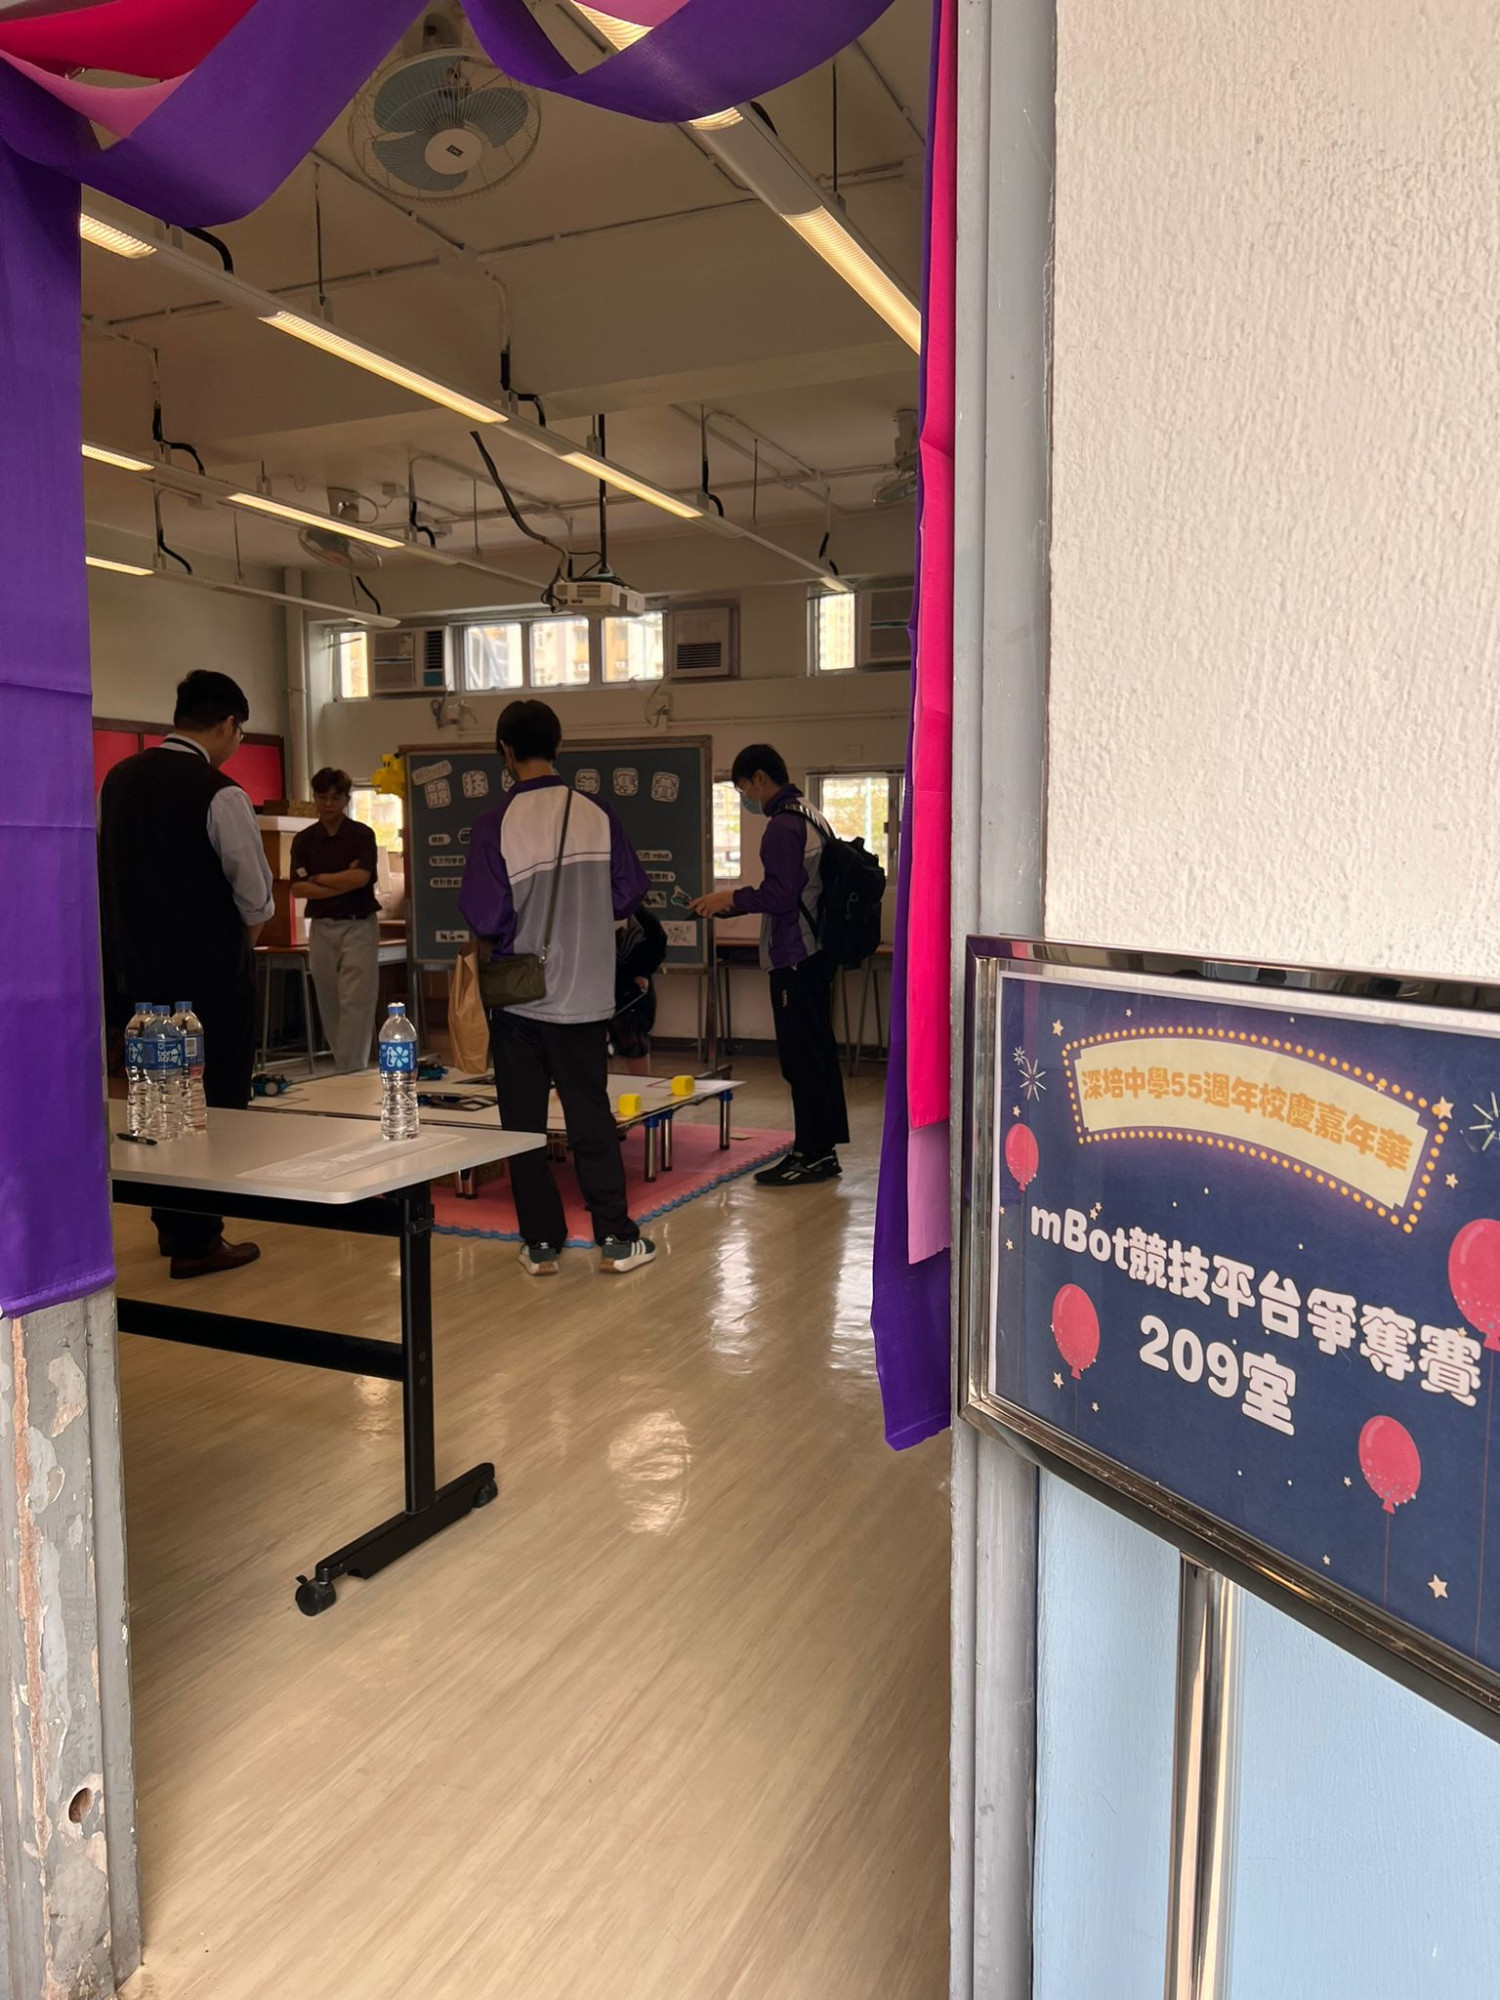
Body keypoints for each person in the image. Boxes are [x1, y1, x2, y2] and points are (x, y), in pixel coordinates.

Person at [459, 699, 656, 1275]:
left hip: (520, 996)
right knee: (589, 1114)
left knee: (521, 1124)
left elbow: (485, 915)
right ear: (558, 746)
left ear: (505, 751)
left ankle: (541, 1244)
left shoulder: (496, 822)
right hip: (585, 997)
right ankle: (616, 1239)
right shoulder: (597, 813)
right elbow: (628, 893)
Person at [98, 670, 275, 1277]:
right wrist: (235, 955)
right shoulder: (220, 792)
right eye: (239, 732)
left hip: (137, 980)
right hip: (208, 984)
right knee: (212, 1103)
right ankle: (200, 1240)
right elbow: (255, 899)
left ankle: (170, 1225)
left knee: (155, 1103)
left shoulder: (117, 780)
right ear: (227, 724)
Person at [691, 743, 848, 1186]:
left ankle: (810, 1154)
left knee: (800, 1061)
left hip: (795, 956)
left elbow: (779, 897)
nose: (746, 797)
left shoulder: (782, 825)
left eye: (744, 788)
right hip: (816, 953)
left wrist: (730, 897)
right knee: (816, 1055)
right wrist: (732, 904)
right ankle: (821, 1150)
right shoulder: (810, 814)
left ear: (759, 778)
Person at [289, 768, 381, 1074]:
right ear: (314, 798)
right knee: (328, 1000)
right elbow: (298, 888)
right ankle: (345, 1065)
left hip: (358, 924)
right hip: (321, 926)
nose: (328, 804)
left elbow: (361, 878)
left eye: (335, 797)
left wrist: (319, 878)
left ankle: (351, 1070)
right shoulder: (304, 840)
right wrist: (343, 879)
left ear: (346, 799)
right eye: (322, 797)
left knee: (356, 1000)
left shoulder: (361, 835)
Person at [610, 907, 667, 1074]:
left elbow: (657, 944)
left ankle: (642, 1083)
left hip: (632, 986)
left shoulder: (641, 917)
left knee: (634, 1038)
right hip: (598, 981)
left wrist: (641, 972)